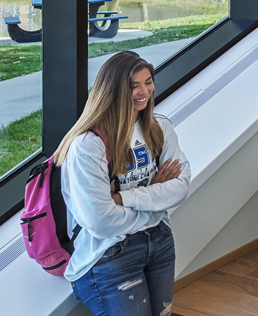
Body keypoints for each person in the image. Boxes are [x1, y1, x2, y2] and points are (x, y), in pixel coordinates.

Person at [55, 50, 191, 316]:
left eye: (148, 81)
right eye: (133, 85)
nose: (144, 91)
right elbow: (100, 221)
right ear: (114, 89)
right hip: (109, 254)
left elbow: (180, 186)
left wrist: (124, 198)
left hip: (160, 243)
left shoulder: (160, 128)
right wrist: (153, 194)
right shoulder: (88, 145)